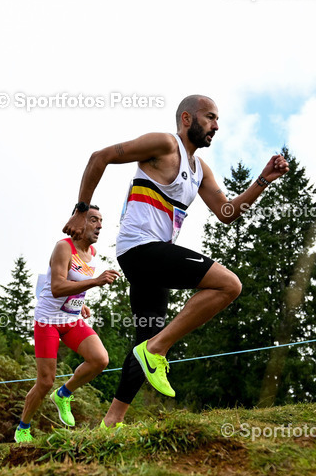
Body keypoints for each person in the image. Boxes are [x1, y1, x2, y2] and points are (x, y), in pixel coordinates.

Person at [63, 95, 289, 428]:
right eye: (210, 117)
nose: (215, 126)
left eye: (217, 120)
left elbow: (226, 213)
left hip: (152, 259)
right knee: (229, 284)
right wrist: (81, 211)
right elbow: (101, 157)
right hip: (140, 249)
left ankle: (111, 423)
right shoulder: (165, 145)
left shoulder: (199, 170)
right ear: (187, 118)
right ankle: (157, 350)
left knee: (145, 339)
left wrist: (263, 180)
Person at [15, 206, 118, 443]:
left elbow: (74, 284)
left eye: (101, 221)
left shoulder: (91, 251)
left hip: (71, 319)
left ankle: (64, 394)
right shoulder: (64, 247)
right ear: (79, 223)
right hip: (48, 321)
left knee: (100, 360)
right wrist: (96, 281)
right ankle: (23, 427)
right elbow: (57, 286)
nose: (100, 225)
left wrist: (79, 303)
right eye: (93, 220)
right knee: (45, 381)